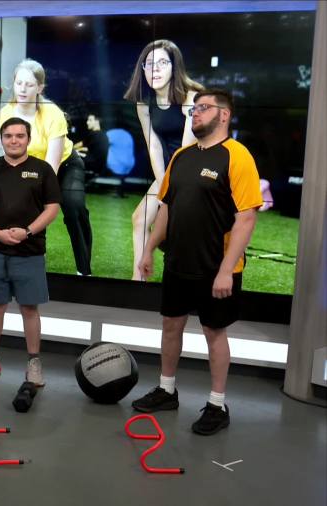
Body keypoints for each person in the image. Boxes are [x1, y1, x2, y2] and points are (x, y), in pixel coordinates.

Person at [131, 89, 263, 435]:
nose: (195, 113)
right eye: (193, 109)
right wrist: (149, 249)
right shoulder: (182, 156)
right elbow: (166, 208)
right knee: (170, 325)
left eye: (203, 108)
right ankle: (167, 391)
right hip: (178, 262)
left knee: (213, 332)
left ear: (224, 115)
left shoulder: (238, 157)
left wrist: (225, 271)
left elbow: (246, 218)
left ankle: (217, 405)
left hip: (217, 268)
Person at [0, 117, 61, 385]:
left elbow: (52, 208)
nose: (14, 140)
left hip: (30, 251)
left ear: (28, 139)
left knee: (29, 309)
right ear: (2, 139)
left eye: (20, 136)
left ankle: (34, 364)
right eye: (8, 136)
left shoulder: (43, 170)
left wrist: (27, 231)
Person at [0, 59, 92, 276]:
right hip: (29, 166)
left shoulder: (53, 113)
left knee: (73, 206)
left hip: (64, 165)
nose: (22, 89)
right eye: (19, 83)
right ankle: (26, 258)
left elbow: (51, 166)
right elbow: (8, 156)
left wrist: (34, 193)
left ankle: (84, 271)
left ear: (39, 88)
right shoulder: (5, 113)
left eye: (29, 84)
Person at [124, 39, 204, 280]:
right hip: (167, 172)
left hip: (194, 170)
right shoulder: (143, 102)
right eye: (149, 64)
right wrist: (162, 183)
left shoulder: (191, 97)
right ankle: (138, 281)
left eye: (162, 63)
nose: (155, 69)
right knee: (140, 219)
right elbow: (154, 146)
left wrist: (168, 189)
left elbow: (188, 149)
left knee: (181, 232)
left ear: (174, 66)